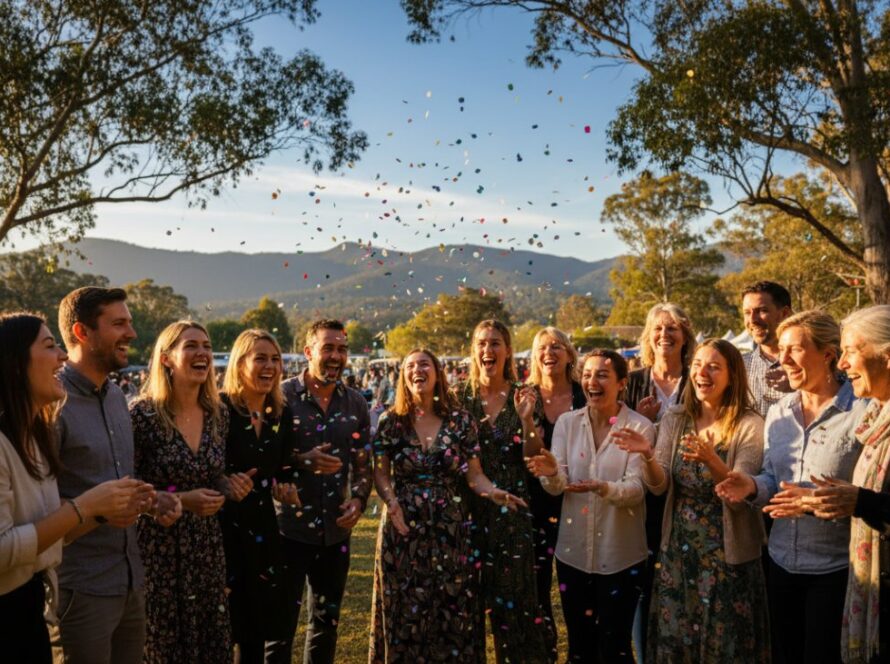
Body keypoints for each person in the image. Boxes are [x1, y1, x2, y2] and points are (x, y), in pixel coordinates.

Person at [715, 310, 866, 663]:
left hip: (837, 570)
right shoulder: (780, 412)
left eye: (793, 350)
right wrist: (752, 486)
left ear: (828, 354)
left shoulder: (862, 412)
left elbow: (871, 492)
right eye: (780, 350)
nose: (781, 359)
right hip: (780, 564)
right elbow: (772, 476)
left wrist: (816, 501)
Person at [0, 312, 150, 664]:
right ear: (15, 362)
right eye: (50, 346)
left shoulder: (33, 439)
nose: (63, 357)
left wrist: (104, 511)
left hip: (31, 607)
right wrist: (83, 507)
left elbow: (49, 530)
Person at [370, 348, 528, 663]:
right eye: (410, 366)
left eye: (424, 364)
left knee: (452, 614)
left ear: (438, 372)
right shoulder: (390, 422)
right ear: (403, 376)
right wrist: (391, 501)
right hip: (403, 532)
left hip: (451, 532)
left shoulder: (460, 421)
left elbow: (475, 475)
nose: (417, 370)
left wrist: (494, 492)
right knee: (406, 616)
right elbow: (380, 474)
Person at [52, 286, 180, 664]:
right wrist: (100, 513)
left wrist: (153, 500)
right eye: (119, 323)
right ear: (82, 332)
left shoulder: (114, 397)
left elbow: (117, 483)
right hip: (80, 589)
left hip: (130, 581)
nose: (132, 333)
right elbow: (38, 508)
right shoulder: (50, 402)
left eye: (131, 322)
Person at [634, 338, 770, 663]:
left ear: (733, 376)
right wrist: (648, 457)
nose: (702, 373)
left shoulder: (749, 424)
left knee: (723, 645)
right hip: (679, 551)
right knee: (677, 638)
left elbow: (739, 495)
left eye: (713, 366)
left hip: (728, 555)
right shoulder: (676, 418)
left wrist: (713, 461)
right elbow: (659, 485)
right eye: (697, 365)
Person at [131, 320, 255, 664]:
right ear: (167, 359)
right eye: (191, 346)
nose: (203, 353)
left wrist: (228, 485)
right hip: (159, 551)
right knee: (164, 646)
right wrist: (183, 501)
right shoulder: (142, 415)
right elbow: (127, 488)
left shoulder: (217, 415)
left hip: (207, 549)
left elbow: (213, 474)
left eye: (206, 345)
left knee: (212, 644)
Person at [528, 349, 655, 662]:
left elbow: (637, 489)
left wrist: (604, 489)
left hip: (621, 555)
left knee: (615, 647)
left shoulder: (639, 427)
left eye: (602, 375)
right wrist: (551, 473)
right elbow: (559, 486)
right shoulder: (568, 424)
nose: (592, 381)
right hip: (573, 554)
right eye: (587, 375)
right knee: (580, 647)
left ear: (622, 383)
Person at [266, 319, 372, 664]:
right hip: (287, 531)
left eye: (342, 349)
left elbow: (362, 464)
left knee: (326, 626)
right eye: (328, 348)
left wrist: (357, 498)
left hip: (335, 532)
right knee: (279, 630)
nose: (336, 356)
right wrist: (300, 461)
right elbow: (262, 457)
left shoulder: (355, 403)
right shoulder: (279, 398)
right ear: (309, 351)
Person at [794, 305, 890, 662]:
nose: (843, 363)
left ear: (887, 356)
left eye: (851, 351)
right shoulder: (877, 419)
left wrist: (860, 502)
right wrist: (820, 499)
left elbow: (871, 501)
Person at [454, 319, 549, 663]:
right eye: (481, 343)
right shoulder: (458, 398)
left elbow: (534, 456)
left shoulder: (524, 396)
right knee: (468, 606)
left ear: (508, 350)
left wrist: (525, 421)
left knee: (517, 607)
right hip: (467, 512)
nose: (487, 350)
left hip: (513, 511)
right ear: (473, 350)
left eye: (495, 343)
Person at [219, 329, 301, 663]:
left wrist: (288, 488)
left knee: (255, 630)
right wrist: (223, 482)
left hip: (263, 529)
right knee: (224, 627)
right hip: (223, 529)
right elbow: (205, 466)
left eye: (275, 359)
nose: (270, 366)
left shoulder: (281, 414)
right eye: (261, 358)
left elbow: (284, 468)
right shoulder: (219, 410)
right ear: (240, 365)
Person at [518, 326, 585, 662]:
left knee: (577, 584)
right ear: (535, 356)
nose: (550, 353)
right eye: (543, 347)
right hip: (536, 502)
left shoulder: (585, 393)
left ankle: (579, 651)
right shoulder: (525, 396)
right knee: (539, 585)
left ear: (570, 354)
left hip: (580, 499)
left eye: (558, 346)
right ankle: (546, 651)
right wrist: (528, 422)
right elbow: (529, 456)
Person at [742, 281, 794, 418]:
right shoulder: (738, 367)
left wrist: (799, 386)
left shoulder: (809, 364)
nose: (752, 319)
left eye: (762, 311)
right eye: (747, 312)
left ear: (784, 313)